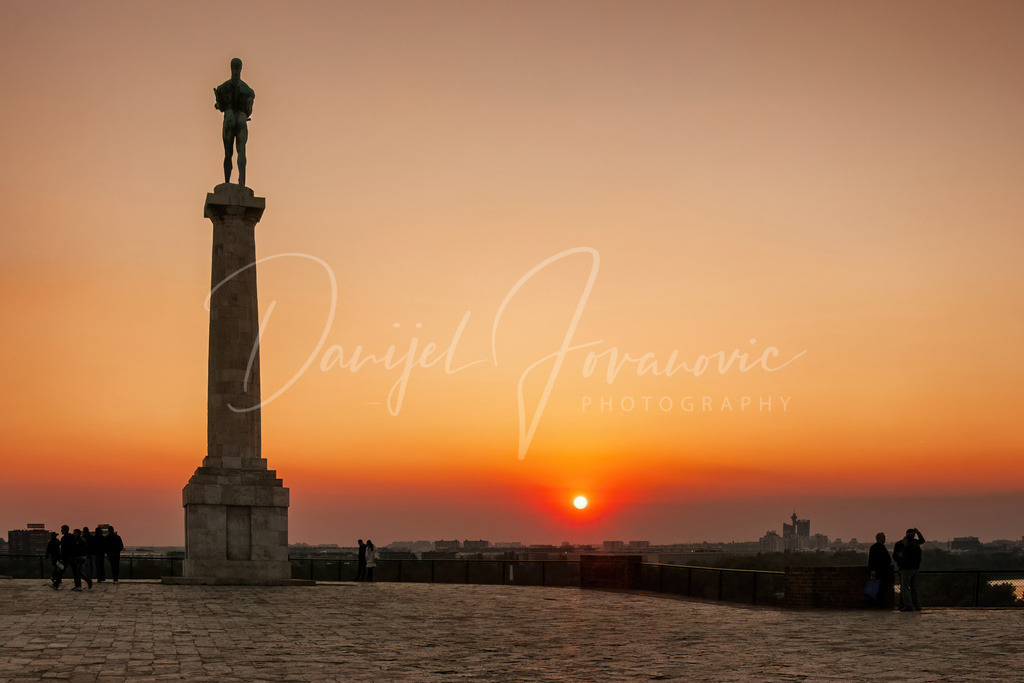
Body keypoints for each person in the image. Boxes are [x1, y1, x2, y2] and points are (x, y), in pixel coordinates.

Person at [213, 57, 255, 187]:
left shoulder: (222, 87)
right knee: (241, 151)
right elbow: (249, 110)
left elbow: (220, 107)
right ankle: (241, 183)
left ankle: (227, 182)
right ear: (241, 68)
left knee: (228, 153)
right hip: (242, 118)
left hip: (229, 117)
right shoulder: (248, 90)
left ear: (231, 68)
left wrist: (218, 104)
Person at [893, 527, 926, 611]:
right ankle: (917, 605)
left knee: (905, 588)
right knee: (914, 587)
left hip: (906, 568)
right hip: (915, 568)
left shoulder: (905, 545)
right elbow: (922, 541)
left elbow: (900, 556)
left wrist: (901, 560)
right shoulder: (915, 544)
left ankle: (908, 605)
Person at [867, 532, 893, 608]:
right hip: (879, 571)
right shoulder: (875, 547)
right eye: (883, 537)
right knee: (878, 589)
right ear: (878, 538)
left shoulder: (879, 547)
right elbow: (871, 560)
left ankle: (879, 603)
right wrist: (872, 570)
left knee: (881, 588)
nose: (884, 539)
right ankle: (877, 603)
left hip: (883, 571)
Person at [58, 525, 83, 591]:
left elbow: (63, 549)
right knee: (75, 572)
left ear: (64, 530)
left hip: (66, 557)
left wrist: (61, 556)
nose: (61, 531)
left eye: (62, 529)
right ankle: (78, 586)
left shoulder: (64, 538)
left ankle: (56, 584)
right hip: (72, 556)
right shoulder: (72, 537)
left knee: (61, 570)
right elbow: (75, 546)